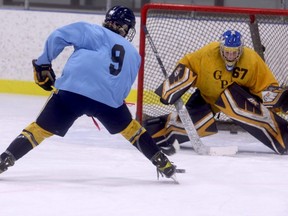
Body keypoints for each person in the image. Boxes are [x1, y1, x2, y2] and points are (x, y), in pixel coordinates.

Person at [0, 6, 178, 179]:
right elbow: (123, 88)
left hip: (71, 93)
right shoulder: (134, 55)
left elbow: (58, 36)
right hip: (109, 103)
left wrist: (43, 64)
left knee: (38, 130)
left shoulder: (91, 30)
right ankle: (162, 162)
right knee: (132, 129)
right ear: (126, 28)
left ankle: (5, 159)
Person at [145, 30, 288, 155]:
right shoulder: (208, 53)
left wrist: (280, 100)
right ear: (221, 48)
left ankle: (284, 136)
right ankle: (153, 132)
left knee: (231, 99)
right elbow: (188, 64)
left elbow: (266, 86)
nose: (231, 56)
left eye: (234, 52)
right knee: (195, 125)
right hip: (207, 98)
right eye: (227, 52)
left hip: (238, 101)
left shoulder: (251, 60)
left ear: (241, 50)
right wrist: (172, 85)